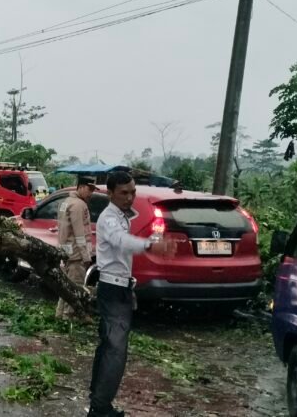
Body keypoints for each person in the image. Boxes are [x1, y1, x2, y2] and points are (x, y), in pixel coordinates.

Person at [88, 171, 175, 417]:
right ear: (110, 193)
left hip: (120, 288)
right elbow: (120, 241)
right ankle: (100, 408)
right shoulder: (109, 218)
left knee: (109, 347)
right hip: (112, 289)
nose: (130, 197)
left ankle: (98, 403)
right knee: (115, 351)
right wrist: (149, 244)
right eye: (124, 193)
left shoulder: (122, 216)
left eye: (133, 192)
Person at [56, 175, 97, 320]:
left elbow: (62, 229)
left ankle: (59, 316)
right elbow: (80, 233)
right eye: (89, 189)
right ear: (80, 187)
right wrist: (86, 256)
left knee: (65, 287)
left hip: (65, 251)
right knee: (75, 287)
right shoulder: (79, 205)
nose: (91, 193)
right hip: (76, 254)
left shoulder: (65, 202)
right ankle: (68, 318)